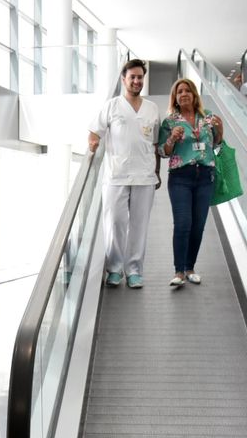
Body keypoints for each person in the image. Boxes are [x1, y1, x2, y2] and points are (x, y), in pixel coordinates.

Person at [87, 59, 160, 289]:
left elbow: (155, 142)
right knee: (116, 223)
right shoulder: (111, 106)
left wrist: (157, 172)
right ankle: (115, 269)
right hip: (116, 175)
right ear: (123, 79)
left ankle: (135, 270)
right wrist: (93, 143)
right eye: (133, 77)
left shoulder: (152, 108)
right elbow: (94, 132)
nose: (137, 81)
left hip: (145, 176)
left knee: (139, 225)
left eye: (140, 77)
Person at [157, 78, 224, 286]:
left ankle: (190, 267)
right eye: (179, 92)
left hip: (205, 177)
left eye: (187, 90)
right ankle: (178, 271)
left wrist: (220, 129)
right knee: (183, 223)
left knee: (198, 225)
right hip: (180, 178)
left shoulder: (208, 117)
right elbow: (162, 151)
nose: (183, 94)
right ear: (175, 98)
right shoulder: (170, 122)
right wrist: (172, 140)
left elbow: (216, 145)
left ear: (194, 95)